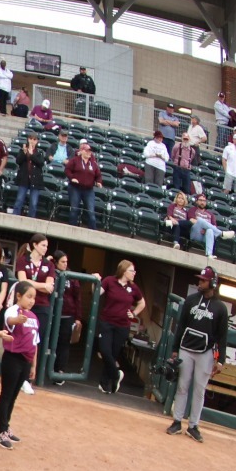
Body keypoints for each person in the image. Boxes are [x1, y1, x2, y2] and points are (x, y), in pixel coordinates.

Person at [166, 267, 225, 443]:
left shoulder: (220, 307)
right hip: (186, 347)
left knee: (199, 390)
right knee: (182, 386)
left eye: (203, 280)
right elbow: (181, 326)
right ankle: (177, 421)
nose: (200, 283)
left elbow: (222, 336)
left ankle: (193, 425)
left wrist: (220, 360)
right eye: (200, 280)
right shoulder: (191, 300)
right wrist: (175, 349)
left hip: (205, 351)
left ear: (212, 283)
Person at [0, 282, 39, 449]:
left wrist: (33, 366)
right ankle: (0, 431)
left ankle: (6, 427)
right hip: (12, 358)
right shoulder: (14, 310)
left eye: (34, 297)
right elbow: (9, 320)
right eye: (29, 296)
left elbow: (35, 343)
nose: (32, 300)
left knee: (13, 396)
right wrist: (18, 320)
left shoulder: (34, 317)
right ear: (19, 296)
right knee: (6, 394)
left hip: (26, 360)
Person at [96, 259, 144, 396]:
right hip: (107, 322)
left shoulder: (133, 288)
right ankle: (116, 375)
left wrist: (134, 313)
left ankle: (105, 384)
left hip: (122, 325)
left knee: (112, 353)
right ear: (123, 271)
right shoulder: (110, 281)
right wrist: (96, 281)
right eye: (131, 270)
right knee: (105, 351)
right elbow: (97, 293)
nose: (134, 273)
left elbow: (142, 303)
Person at [64, 142, 101, 229]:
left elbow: (98, 175)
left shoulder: (93, 163)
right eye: (87, 151)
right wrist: (72, 178)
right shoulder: (75, 160)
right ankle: (71, 228)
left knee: (91, 212)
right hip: (75, 188)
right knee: (74, 209)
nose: (89, 153)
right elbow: (67, 170)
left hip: (88, 190)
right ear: (82, 151)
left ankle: (93, 231)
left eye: (90, 151)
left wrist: (99, 182)